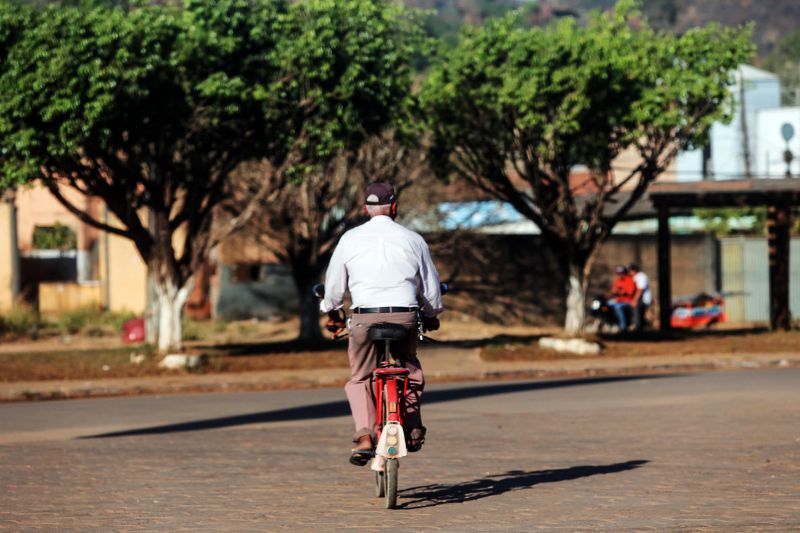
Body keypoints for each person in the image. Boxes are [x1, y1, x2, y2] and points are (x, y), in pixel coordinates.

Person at [320, 182, 444, 466]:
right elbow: (431, 288)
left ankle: (364, 436)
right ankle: (412, 428)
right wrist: (432, 313)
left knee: (361, 377)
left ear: (365, 209)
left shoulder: (350, 239)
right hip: (405, 316)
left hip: (364, 317)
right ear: (395, 207)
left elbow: (335, 286)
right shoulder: (413, 239)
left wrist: (333, 312)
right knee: (410, 369)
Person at [608, 265, 635, 331]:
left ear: (625, 273)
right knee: (606, 304)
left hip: (627, 301)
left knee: (618, 307)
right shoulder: (618, 281)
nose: (620, 275)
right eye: (618, 273)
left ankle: (623, 326)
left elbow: (630, 293)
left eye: (621, 273)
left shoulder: (629, 280)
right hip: (618, 300)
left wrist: (621, 292)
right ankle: (609, 324)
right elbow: (613, 291)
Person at [628, 263, 652, 331]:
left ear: (634, 270)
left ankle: (637, 328)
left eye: (630, 271)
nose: (629, 273)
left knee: (636, 307)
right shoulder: (635, 277)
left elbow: (640, 289)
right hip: (638, 299)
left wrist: (635, 301)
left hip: (643, 300)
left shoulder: (641, 276)